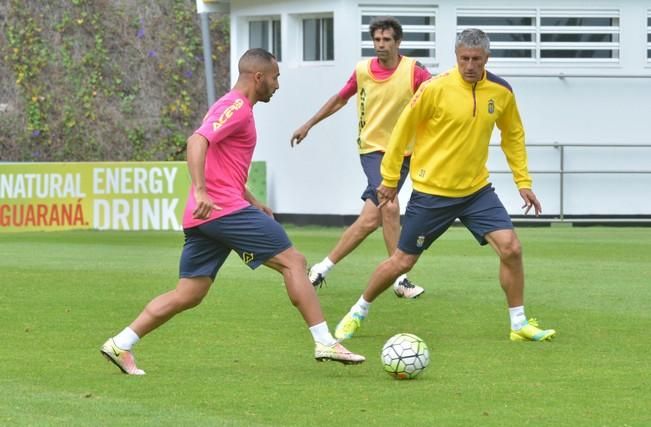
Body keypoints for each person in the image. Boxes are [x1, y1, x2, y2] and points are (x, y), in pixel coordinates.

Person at [100, 48, 365, 375]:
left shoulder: (237, 108)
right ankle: (325, 340)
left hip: (209, 215)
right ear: (259, 77)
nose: (277, 85)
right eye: (275, 77)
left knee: (190, 293)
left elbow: (225, 167)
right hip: (221, 209)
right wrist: (200, 190)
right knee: (293, 262)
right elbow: (197, 141)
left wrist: (253, 201)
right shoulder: (236, 107)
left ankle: (121, 343)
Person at [334, 29, 556, 342]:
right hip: (432, 193)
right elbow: (401, 131)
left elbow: (513, 137)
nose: (469, 65)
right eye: (463, 58)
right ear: (456, 57)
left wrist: (523, 182)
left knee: (511, 248)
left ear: (486, 59)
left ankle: (518, 323)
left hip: (477, 192)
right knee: (402, 262)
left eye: (475, 59)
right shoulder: (433, 88)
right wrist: (389, 179)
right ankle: (358, 311)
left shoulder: (501, 92)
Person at [290, 17, 431, 299]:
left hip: (402, 153)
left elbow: (437, 98)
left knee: (370, 220)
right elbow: (340, 99)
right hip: (372, 150)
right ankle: (399, 278)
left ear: (398, 42)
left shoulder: (414, 71)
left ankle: (321, 268)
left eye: (386, 40)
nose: (380, 45)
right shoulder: (363, 70)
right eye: (376, 40)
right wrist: (309, 123)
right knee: (389, 206)